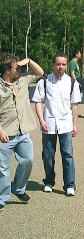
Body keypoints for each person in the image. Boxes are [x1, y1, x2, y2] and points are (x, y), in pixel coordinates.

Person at [32, 53, 81, 196]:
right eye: (58, 64)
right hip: (49, 123)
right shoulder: (45, 82)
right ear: (53, 65)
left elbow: (74, 105)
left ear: (66, 66)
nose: (61, 67)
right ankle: (48, 181)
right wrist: (41, 120)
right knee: (48, 155)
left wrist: (75, 124)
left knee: (67, 155)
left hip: (66, 124)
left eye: (63, 64)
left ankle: (69, 185)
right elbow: (38, 102)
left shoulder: (72, 83)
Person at [0, 54, 44, 210]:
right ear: (7, 70)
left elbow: (40, 73)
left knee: (28, 160)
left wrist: (30, 61)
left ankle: (18, 188)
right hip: (5, 134)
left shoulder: (23, 80)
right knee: (3, 168)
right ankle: (2, 197)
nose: (20, 69)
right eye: (16, 67)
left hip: (23, 132)